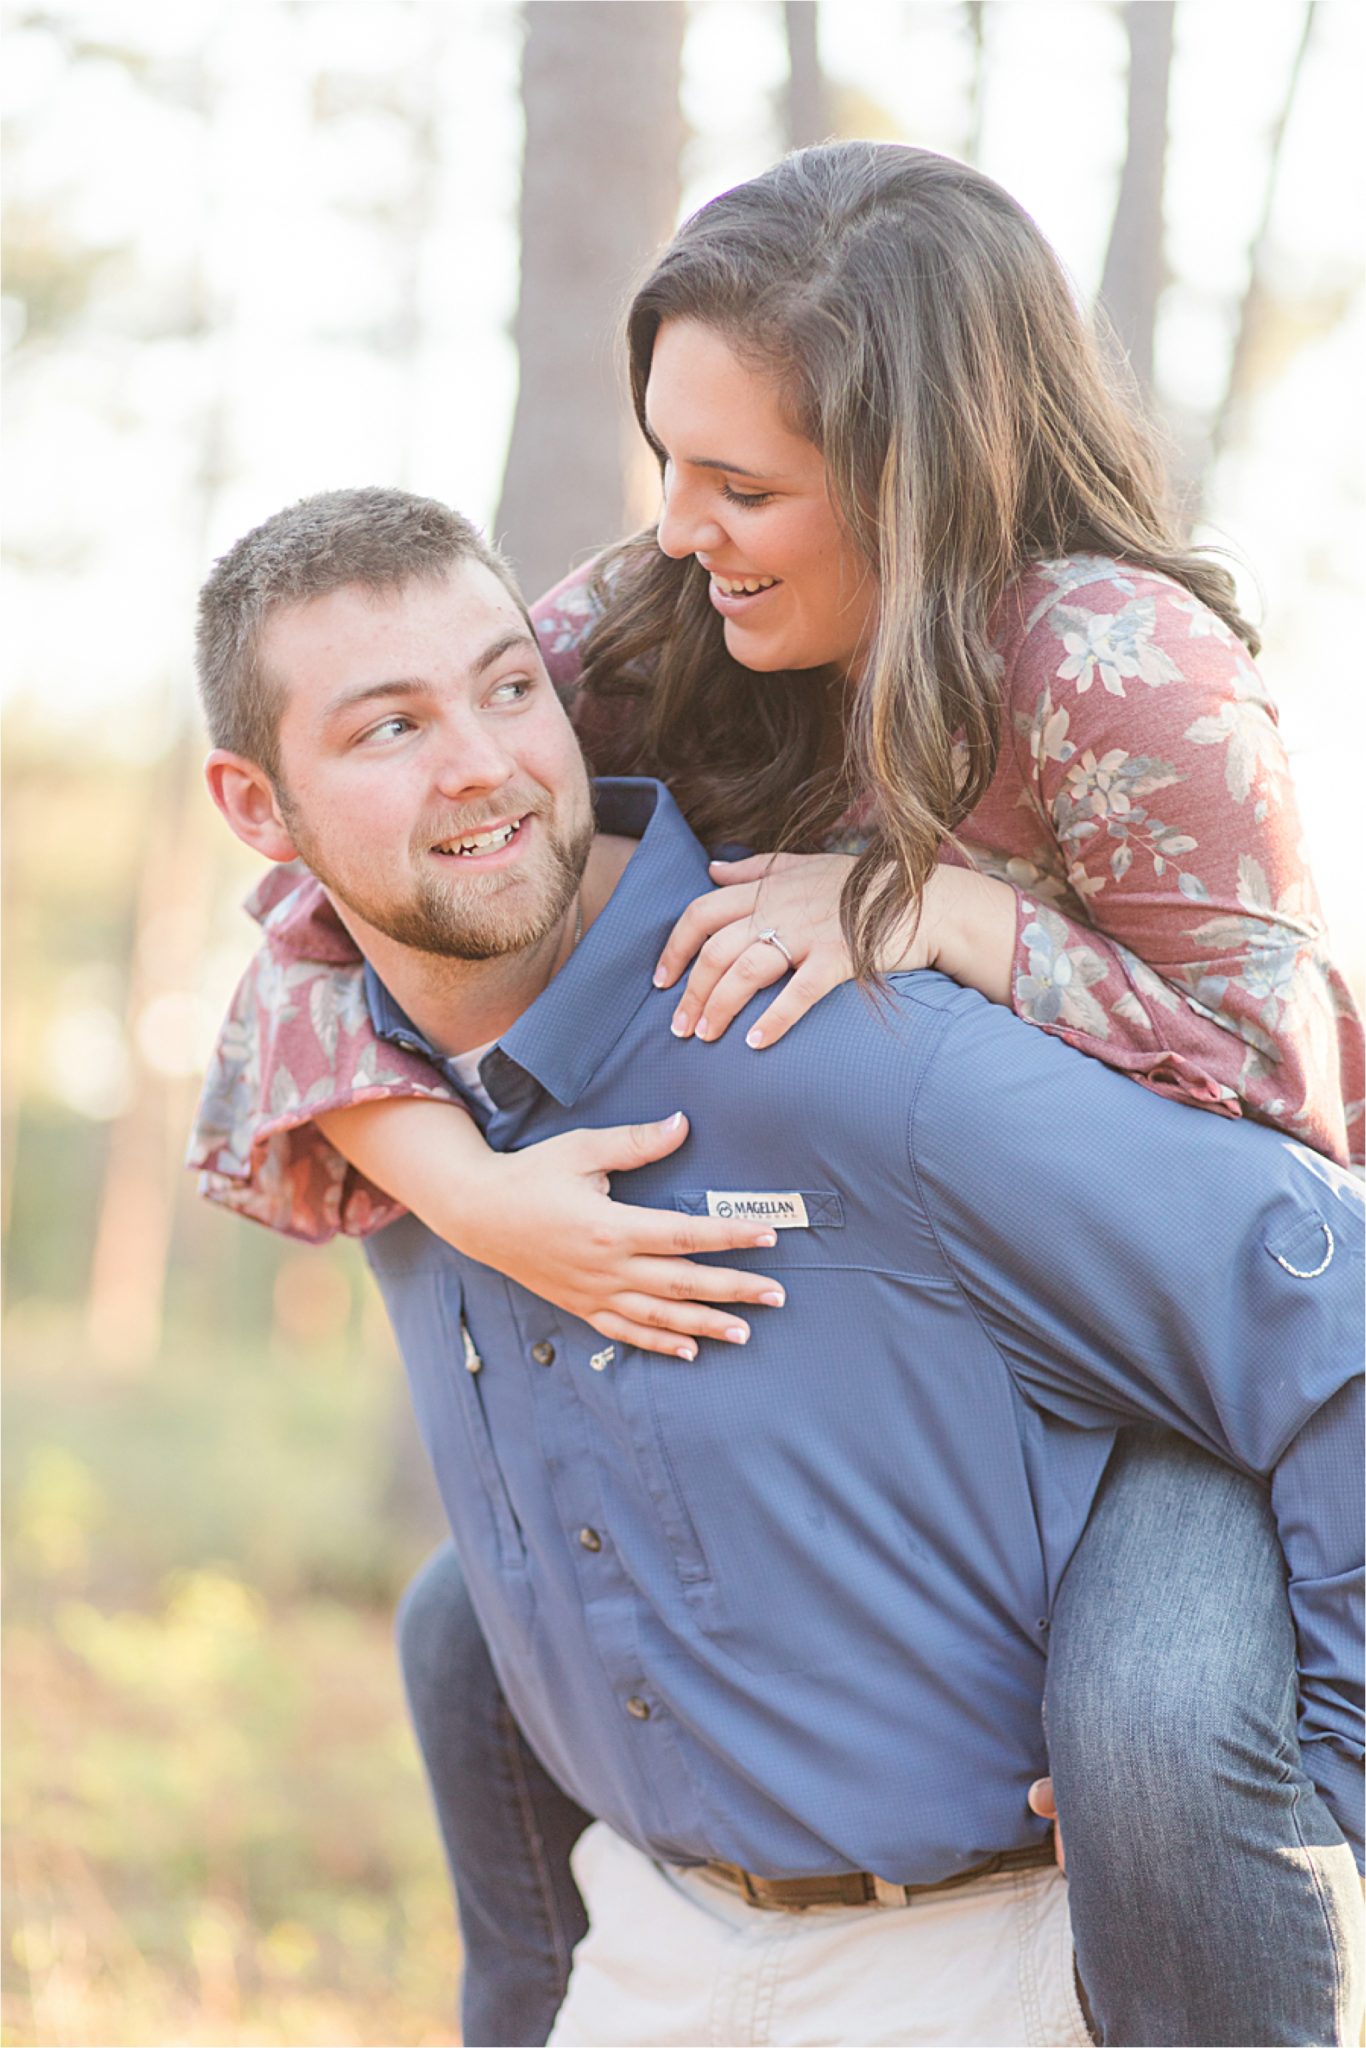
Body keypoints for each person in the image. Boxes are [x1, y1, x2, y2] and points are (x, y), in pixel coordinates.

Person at [189, 144, 1365, 2046]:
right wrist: (476, 1202)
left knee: (1152, 1741)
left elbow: (1270, 1125)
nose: (679, 524)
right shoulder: (664, 609)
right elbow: (329, 910)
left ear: (916, 473)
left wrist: (949, 913)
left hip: (1148, 1335)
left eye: (740, 484)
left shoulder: (1117, 670)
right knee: (456, 1641)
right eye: (666, 459)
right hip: (897, 1305)